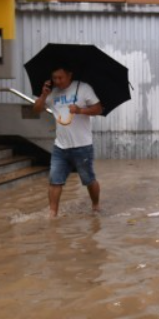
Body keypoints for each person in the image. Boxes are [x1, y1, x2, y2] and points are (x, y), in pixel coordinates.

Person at [33, 65, 103, 217]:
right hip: (60, 146)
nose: (57, 81)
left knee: (89, 180)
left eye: (60, 77)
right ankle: (53, 214)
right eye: (54, 78)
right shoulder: (52, 93)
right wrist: (43, 95)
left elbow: (98, 109)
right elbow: (36, 109)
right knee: (54, 180)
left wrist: (80, 110)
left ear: (69, 75)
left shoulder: (84, 88)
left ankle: (96, 205)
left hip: (83, 146)